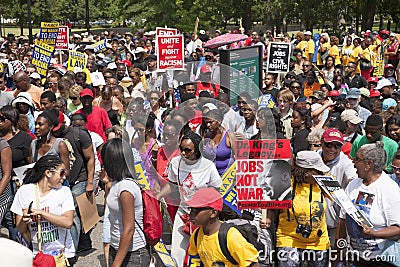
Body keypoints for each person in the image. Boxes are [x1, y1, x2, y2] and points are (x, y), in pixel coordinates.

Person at [156, 131, 221, 267]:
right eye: (181, 149)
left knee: (204, 253)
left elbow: (217, 191)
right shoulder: (175, 163)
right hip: (183, 213)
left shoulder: (208, 166)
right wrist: (158, 196)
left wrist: (211, 214)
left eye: (188, 150)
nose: (183, 153)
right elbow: (172, 184)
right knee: (177, 253)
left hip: (203, 217)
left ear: (197, 150)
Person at [336, 142, 400, 267]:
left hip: (380, 260)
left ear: (368, 164)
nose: (353, 163)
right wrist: (337, 253)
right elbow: (342, 221)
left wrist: (373, 233)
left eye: (357, 159)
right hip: (354, 258)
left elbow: (397, 229)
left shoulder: (389, 188)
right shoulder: (353, 185)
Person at [264, 151, 330, 266]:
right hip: (288, 238)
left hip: (318, 241)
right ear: (305, 172)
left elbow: (342, 199)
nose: (321, 173)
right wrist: (268, 218)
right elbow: (273, 205)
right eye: (317, 171)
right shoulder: (285, 182)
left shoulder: (324, 180)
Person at [10, 155, 76, 265]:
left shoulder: (64, 192)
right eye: (61, 172)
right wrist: (24, 219)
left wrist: (41, 213)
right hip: (38, 256)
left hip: (62, 254)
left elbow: (68, 222)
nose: (64, 177)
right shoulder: (24, 192)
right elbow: (20, 229)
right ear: (48, 173)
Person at [101, 138, 150, 267]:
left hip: (133, 255)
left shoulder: (126, 189)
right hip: (117, 249)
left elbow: (129, 229)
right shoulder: (117, 183)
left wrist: (116, 265)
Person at [187, 188, 260, 267]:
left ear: (213, 213)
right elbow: (195, 261)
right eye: (190, 209)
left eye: (196, 210)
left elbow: (253, 264)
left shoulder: (231, 236)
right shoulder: (196, 235)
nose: (191, 214)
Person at [319, 128, 357, 246]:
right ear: (322, 143)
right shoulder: (315, 157)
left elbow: (355, 181)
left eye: (337, 146)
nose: (332, 149)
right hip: (312, 219)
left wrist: (342, 193)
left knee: (333, 255)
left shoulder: (345, 162)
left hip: (332, 220)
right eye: (328, 145)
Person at [29, 110, 70, 177]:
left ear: (51, 126)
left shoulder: (59, 144)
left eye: (40, 124)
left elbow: (66, 171)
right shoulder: (33, 144)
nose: (36, 127)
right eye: (35, 124)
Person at [203, 109, 235, 176]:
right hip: (212, 176)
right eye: (206, 123)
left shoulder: (229, 136)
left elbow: (239, 157)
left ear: (219, 121)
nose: (208, 125)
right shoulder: (207, 137)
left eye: (211, 122)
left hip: (228, 177)